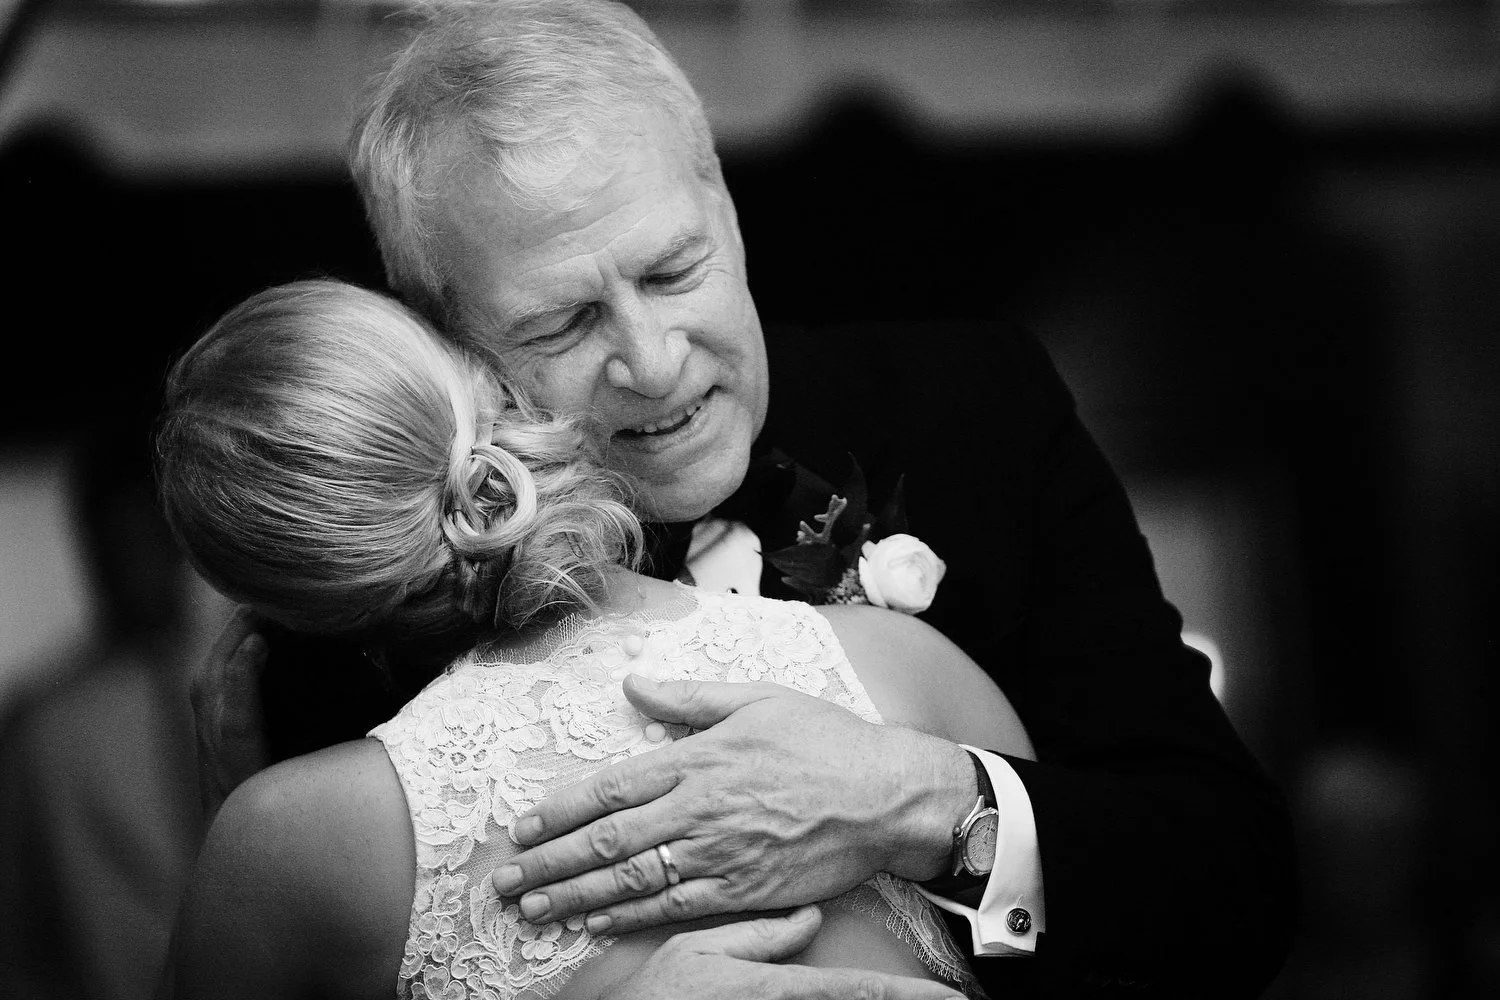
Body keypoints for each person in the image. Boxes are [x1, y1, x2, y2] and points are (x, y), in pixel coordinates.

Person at [194, 2, 1296, 996]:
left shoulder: (973, 410)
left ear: (722, 200)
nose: (653, 358)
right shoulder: (357, 638)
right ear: (449, 339)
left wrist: (919, 806)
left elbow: (1234, 888)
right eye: (561, 326)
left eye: (673, 270)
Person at [156, 278, 1035, 1000]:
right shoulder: (896, 662)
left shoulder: (296, 842)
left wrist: (239, 831)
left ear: (293, 605)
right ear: (487, 395)